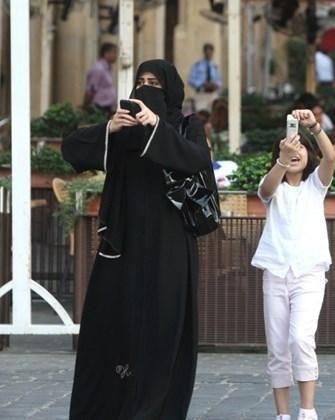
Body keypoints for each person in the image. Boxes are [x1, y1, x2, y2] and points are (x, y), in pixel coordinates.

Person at [63, 59, 213, 419]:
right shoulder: (124, 131)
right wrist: (109, 128)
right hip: (125, 241)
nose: (146, 89)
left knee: (164, 324)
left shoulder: (186, 126)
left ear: (170, 89)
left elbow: (196, 160)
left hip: (170, 243)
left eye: (155, 84)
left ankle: (156, 408)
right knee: (116, 321)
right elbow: (72, 149)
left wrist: (157, 126)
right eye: (141, 81)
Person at [251, 109, 335, 420]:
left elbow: (330, 157)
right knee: (278, 347)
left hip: (310, 274)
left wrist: (314, 127)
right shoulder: (273, 185)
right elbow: (266, 189)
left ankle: (307, 410)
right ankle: (283, 414)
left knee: (301, 339)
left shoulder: (316, 185)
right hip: (275, 273)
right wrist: (282, 161)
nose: (295, 151)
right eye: (289, 146)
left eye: (301, 147)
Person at [83, 42, 118, 114]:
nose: (116, 56)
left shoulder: (107, 68)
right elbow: (91, 90)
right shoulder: (98, 69)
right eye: (114, 52)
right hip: (98, 107)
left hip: (107, 107)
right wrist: (85, 106)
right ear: (106, 54)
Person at [188, 43, 223, 112]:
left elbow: (219, 81)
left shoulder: (215, 66)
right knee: (201, 114)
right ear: (204, 52)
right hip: (202, 94)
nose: (209, 54)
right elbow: (191, 79)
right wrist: (202, 84)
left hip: (212, 94)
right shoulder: (197, 65)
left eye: (210, 52)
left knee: (214, 114)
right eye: (207, 52)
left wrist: (215, 84)